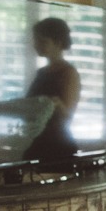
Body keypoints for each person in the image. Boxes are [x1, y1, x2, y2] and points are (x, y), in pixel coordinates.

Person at [23, 17, 80, 161]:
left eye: (42, 41)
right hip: (36, 143)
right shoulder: (41, 72)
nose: (36, 45)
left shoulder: (68, 73)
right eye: (36, 40)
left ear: (58, 43)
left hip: (58, 147)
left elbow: (68, 117)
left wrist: (54, 103)